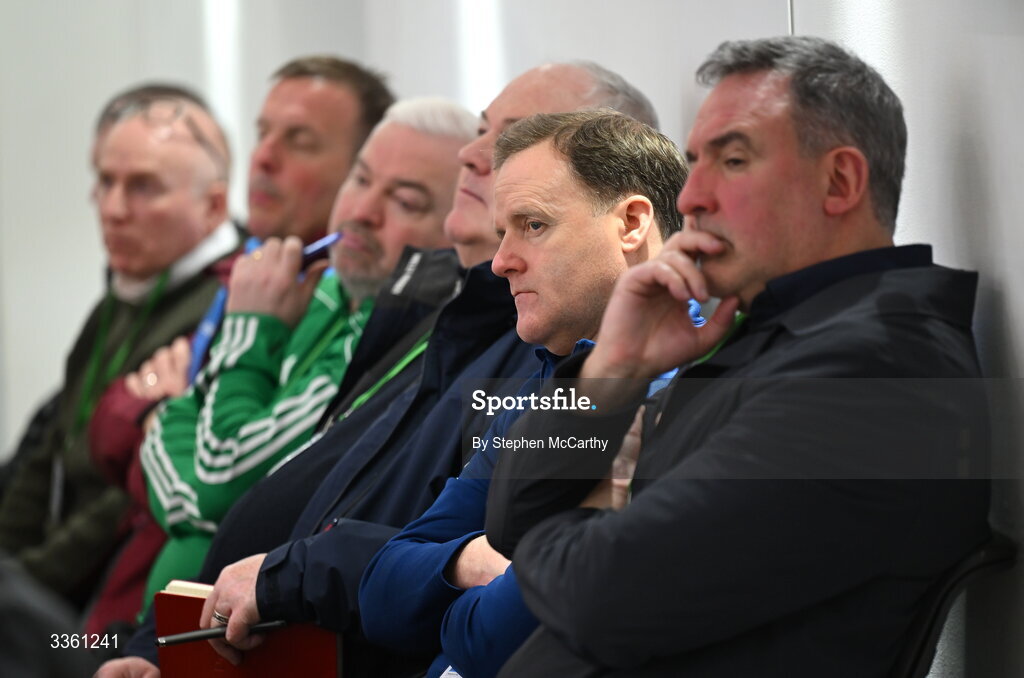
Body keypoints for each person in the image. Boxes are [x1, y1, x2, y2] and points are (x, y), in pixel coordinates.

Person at [92, 61, 664, 678]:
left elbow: (489, 626)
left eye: (530, 224)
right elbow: (377, 540)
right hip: (181, 634)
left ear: (629, 219)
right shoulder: (466, 330)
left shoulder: (588, 363)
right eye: (362, 180)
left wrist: (242, 341)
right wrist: (461, 563)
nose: (476, 156)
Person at [485, 36, 991, 678]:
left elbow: (598, 596)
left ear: (839, 181)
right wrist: (614, 370)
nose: (692, 197)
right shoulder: (777, 333)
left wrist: (569, 524)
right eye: (695, 162)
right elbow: (512, 518)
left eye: (733, 160)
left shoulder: (876, 373)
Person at [359, 109, 695, 678]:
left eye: (533, 225)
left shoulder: (692, 389)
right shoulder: (551, 380)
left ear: (632, 223)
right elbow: (381, 596)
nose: (500, 262)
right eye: (501, 232)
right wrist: (474, 562)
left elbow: (490, 640)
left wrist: (476, 594)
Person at [81, 57, 396, 638]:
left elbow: (212, 483)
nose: (263, 158)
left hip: (187, 635)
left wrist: (155, 415)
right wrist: (148, 415)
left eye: (298, 141)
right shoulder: (260, 278)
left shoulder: (344, 309)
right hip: (141, 625)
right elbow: (98, 441)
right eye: (262, 133)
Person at [137, 97, 473, 609]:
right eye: (361, 181)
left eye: (405, 202)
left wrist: (251, 328)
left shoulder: (391, 346)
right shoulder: (307, 291)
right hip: (166, 627)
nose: (362, 213)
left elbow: (218, 485)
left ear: (459, 232)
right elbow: (167, 430)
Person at [0, 85, 238, 610]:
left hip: (109, 609)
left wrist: (22, 586)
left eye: (143, 187)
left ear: (214, 204)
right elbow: (52, 450)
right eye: (105, 182)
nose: (112, 209)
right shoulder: (126, 291)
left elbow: (130, 499)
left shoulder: (232, 306)